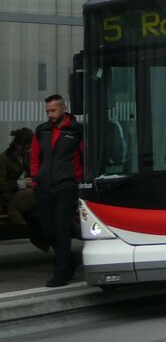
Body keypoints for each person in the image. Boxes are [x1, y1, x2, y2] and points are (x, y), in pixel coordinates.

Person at [30, 94, 84, 287]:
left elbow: (85, 155)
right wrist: (36, 178)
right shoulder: (42, 130)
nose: (50, 114)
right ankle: (70, 259)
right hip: (44, 186)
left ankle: (61, 273)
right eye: (47, 111)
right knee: (47, 229)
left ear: (63, 108)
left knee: (61, 229)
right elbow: (35, 157)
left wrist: (79, 180)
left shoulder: (77, 130)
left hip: (67, 185)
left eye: (53, 110)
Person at [1, 128, 47, 250]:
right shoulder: (4, 159)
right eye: (26, 148)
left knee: (38, 204)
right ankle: (29, 231)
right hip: (7, 196)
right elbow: (1, 185)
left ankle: (43, 233)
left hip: (21, 193)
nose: (29, 151)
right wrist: (21, 184)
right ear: (17, 145)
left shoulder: (26, 157)